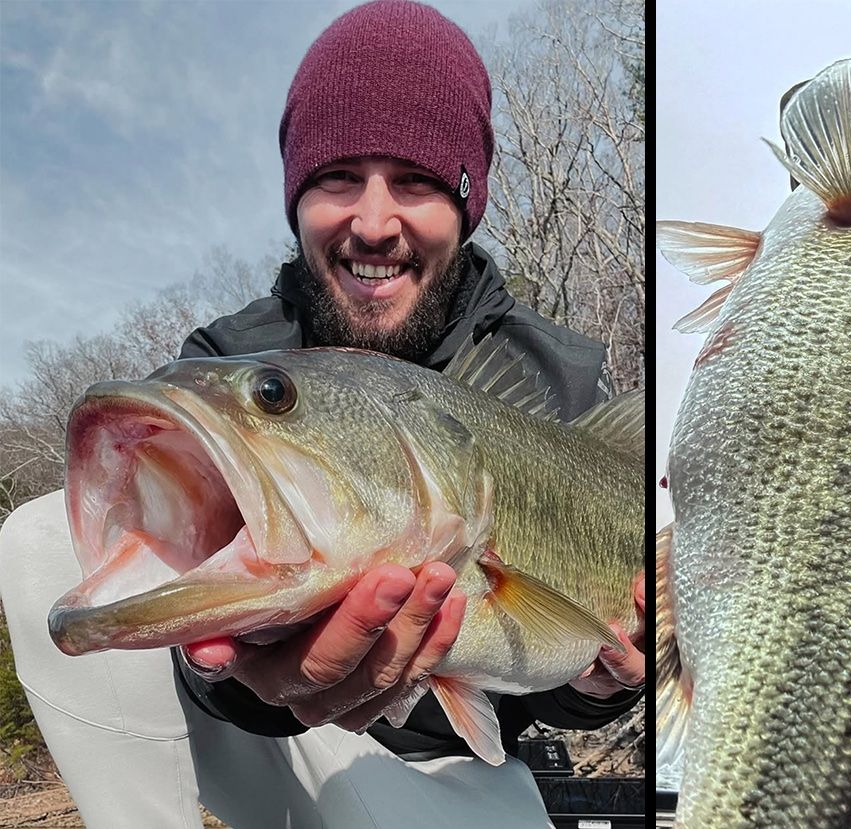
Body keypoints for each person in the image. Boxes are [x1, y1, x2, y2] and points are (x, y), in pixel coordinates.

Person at [0, 2, 645, 827]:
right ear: (297, 198)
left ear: (464, 200)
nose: (373, 223)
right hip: (265, 744)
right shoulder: (223, 357)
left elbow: (570, 681)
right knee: (44, 540)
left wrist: (598, 685)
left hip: (453, 766)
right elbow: (199, 630)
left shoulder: (562, 383)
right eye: (337, 177)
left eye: (413, 180)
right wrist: (234, 673)